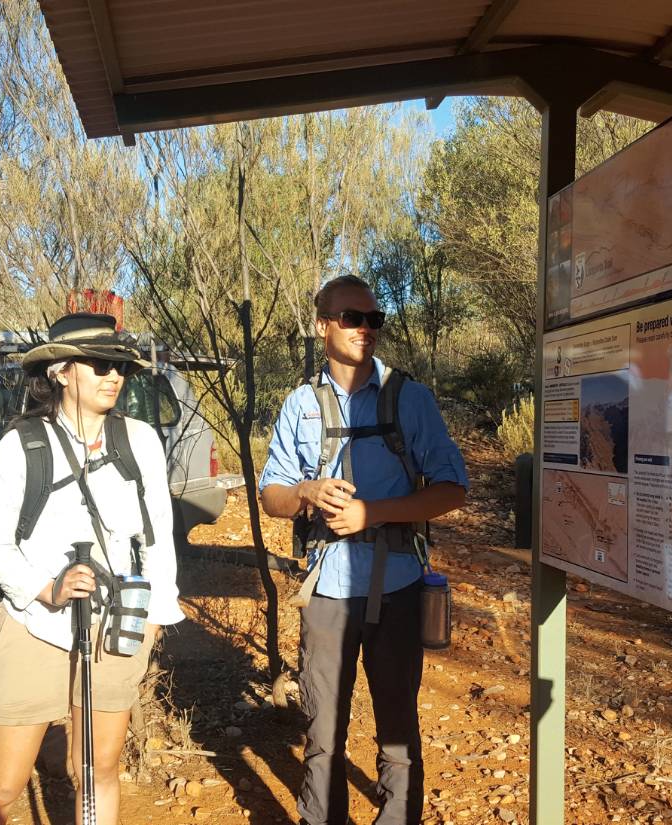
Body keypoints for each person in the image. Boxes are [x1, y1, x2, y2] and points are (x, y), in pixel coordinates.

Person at [0, 312, 185, 825]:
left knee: (97, 768)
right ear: (61, 371)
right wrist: (47, 589)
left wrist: (149, 624)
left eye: (120, 366)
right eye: (100, 364)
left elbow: (157, 542)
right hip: (33, 627)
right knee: (2, 784)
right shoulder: (23, 444)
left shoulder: (140, 440)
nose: (114, 376)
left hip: (116, 627)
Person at [260, 275, 467, 825]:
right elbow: (270, 496)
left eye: (373, 320)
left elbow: (452, 489)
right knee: (323, 728)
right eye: (352, 318)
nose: (365, 330)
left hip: (398, 585)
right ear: (322, 325)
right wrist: (305, 492)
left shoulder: (410, 398)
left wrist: (372, 513)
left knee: (398, 725)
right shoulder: (300, 405)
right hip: (326, 589)